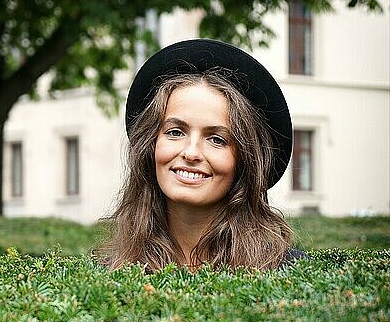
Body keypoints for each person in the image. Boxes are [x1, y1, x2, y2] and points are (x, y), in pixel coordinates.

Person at [101, 39, 307, 271]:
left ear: (244, 161)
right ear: (151, 145)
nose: (191, 152)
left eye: (216, 139)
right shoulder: (109, 275)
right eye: (175, 132)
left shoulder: (290, 272)